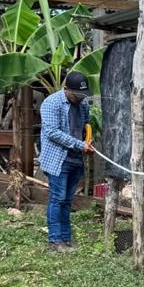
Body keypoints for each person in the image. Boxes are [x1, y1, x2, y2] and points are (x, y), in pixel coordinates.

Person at [39, 72, 95, 252]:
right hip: (58, 159)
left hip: (76, 158)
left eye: (83, 95)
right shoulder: (51, 103)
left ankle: (66, 238)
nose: (81, 98)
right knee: (58, 198)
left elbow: (86, 124)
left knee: (68, 200)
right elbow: (52, 132)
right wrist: (80, 144)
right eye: (77, 95)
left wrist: (88, 141)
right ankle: (55, 241)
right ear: (66, 90)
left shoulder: (83, 103)